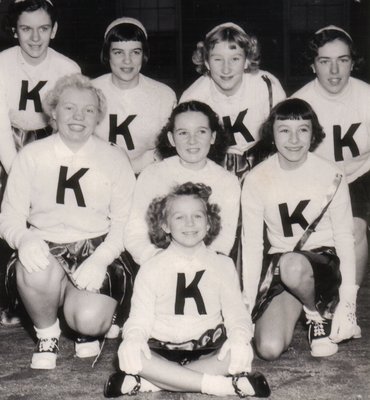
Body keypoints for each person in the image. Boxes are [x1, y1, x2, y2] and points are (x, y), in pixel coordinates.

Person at [0, 73, 136, 369]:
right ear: (53, 112)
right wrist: (24, 239)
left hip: (96, 244)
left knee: (89, 321)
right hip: (46, 245)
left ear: (98, 116)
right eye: (69, 107)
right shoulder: (32, 155)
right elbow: (9, 215)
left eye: (88, 110)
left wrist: (101, 258)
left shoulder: (114, 158)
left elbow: (125, 221)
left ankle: (83, 321)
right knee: (35, 268)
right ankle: (47, 331)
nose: (78, 117)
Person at [104, 182, 270, 398]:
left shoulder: (223, 264)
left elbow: (236, 314)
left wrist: (239, 338)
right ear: (164, 225)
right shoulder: (151, 267)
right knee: (133, 354)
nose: (189, 223)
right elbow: (139, 318)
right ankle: (224, 387)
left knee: (239, 353)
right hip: (160, 350)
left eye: (198, 216)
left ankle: (153, 383)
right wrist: (133, 339)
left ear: (209, 223)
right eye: (179, 217)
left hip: (207, 349)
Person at [241, 98, 360, 361]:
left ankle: (317, 314)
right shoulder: (256, 178)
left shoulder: (331, 173)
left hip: (324, 263)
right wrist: (247, 305)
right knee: (268, 349)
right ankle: (304, 301)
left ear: (313, 133)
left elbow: (344, 236)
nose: (294, 139)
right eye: (284, 130)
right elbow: (251, 247)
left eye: (302, 130)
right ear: (271, 134)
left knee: (293, 265)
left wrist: (348, 301)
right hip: (282, 267)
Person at [0, 0, 80, 325]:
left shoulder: (68, 68)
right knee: (9, 207)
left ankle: (55, 290)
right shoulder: (2, 64)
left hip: (50, 143)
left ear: (55, 30)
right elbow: (1, 126)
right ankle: (10, 297)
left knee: (57, 202)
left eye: (43, 29)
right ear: (14, 31)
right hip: (7, 143)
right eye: (26, 29)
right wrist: (18, 173)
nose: (35, 38)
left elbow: (72, 125)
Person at [292, 25, 370, 288]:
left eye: (342, 60)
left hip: (362, 174)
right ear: (313, 65)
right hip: (318, 180)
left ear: (352, 63)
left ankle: (348, 306)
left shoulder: (366, 96)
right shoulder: (300, 103)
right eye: (325, 61)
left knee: (355, 229)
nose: (334, 71)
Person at [124, 101, 240, 266]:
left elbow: (223, 240)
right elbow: (135, 233)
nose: (192, 141)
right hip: (158, 263)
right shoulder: (152, 174)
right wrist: (160, 260)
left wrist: (196, 264)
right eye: (183, 133)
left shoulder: (227, 181)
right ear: (171, 138)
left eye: (201, 131)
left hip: (205, 266)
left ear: (213, 137)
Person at [180, 22, 286, 179]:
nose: (226, 69)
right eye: (217, 59)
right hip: (213, 167)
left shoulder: (267, 86)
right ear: (207, 62)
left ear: (247, 61)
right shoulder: (193, 97)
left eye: (235, 59)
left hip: (263, 163)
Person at [93, 17, 177, 174]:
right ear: (107, 54)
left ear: (144, 54)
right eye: (118, 52)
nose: (127, 60)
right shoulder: (90, 91)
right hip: (100, 174)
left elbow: (171, 148)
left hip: (149, 174)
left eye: (135, 52)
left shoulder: (164, 95)